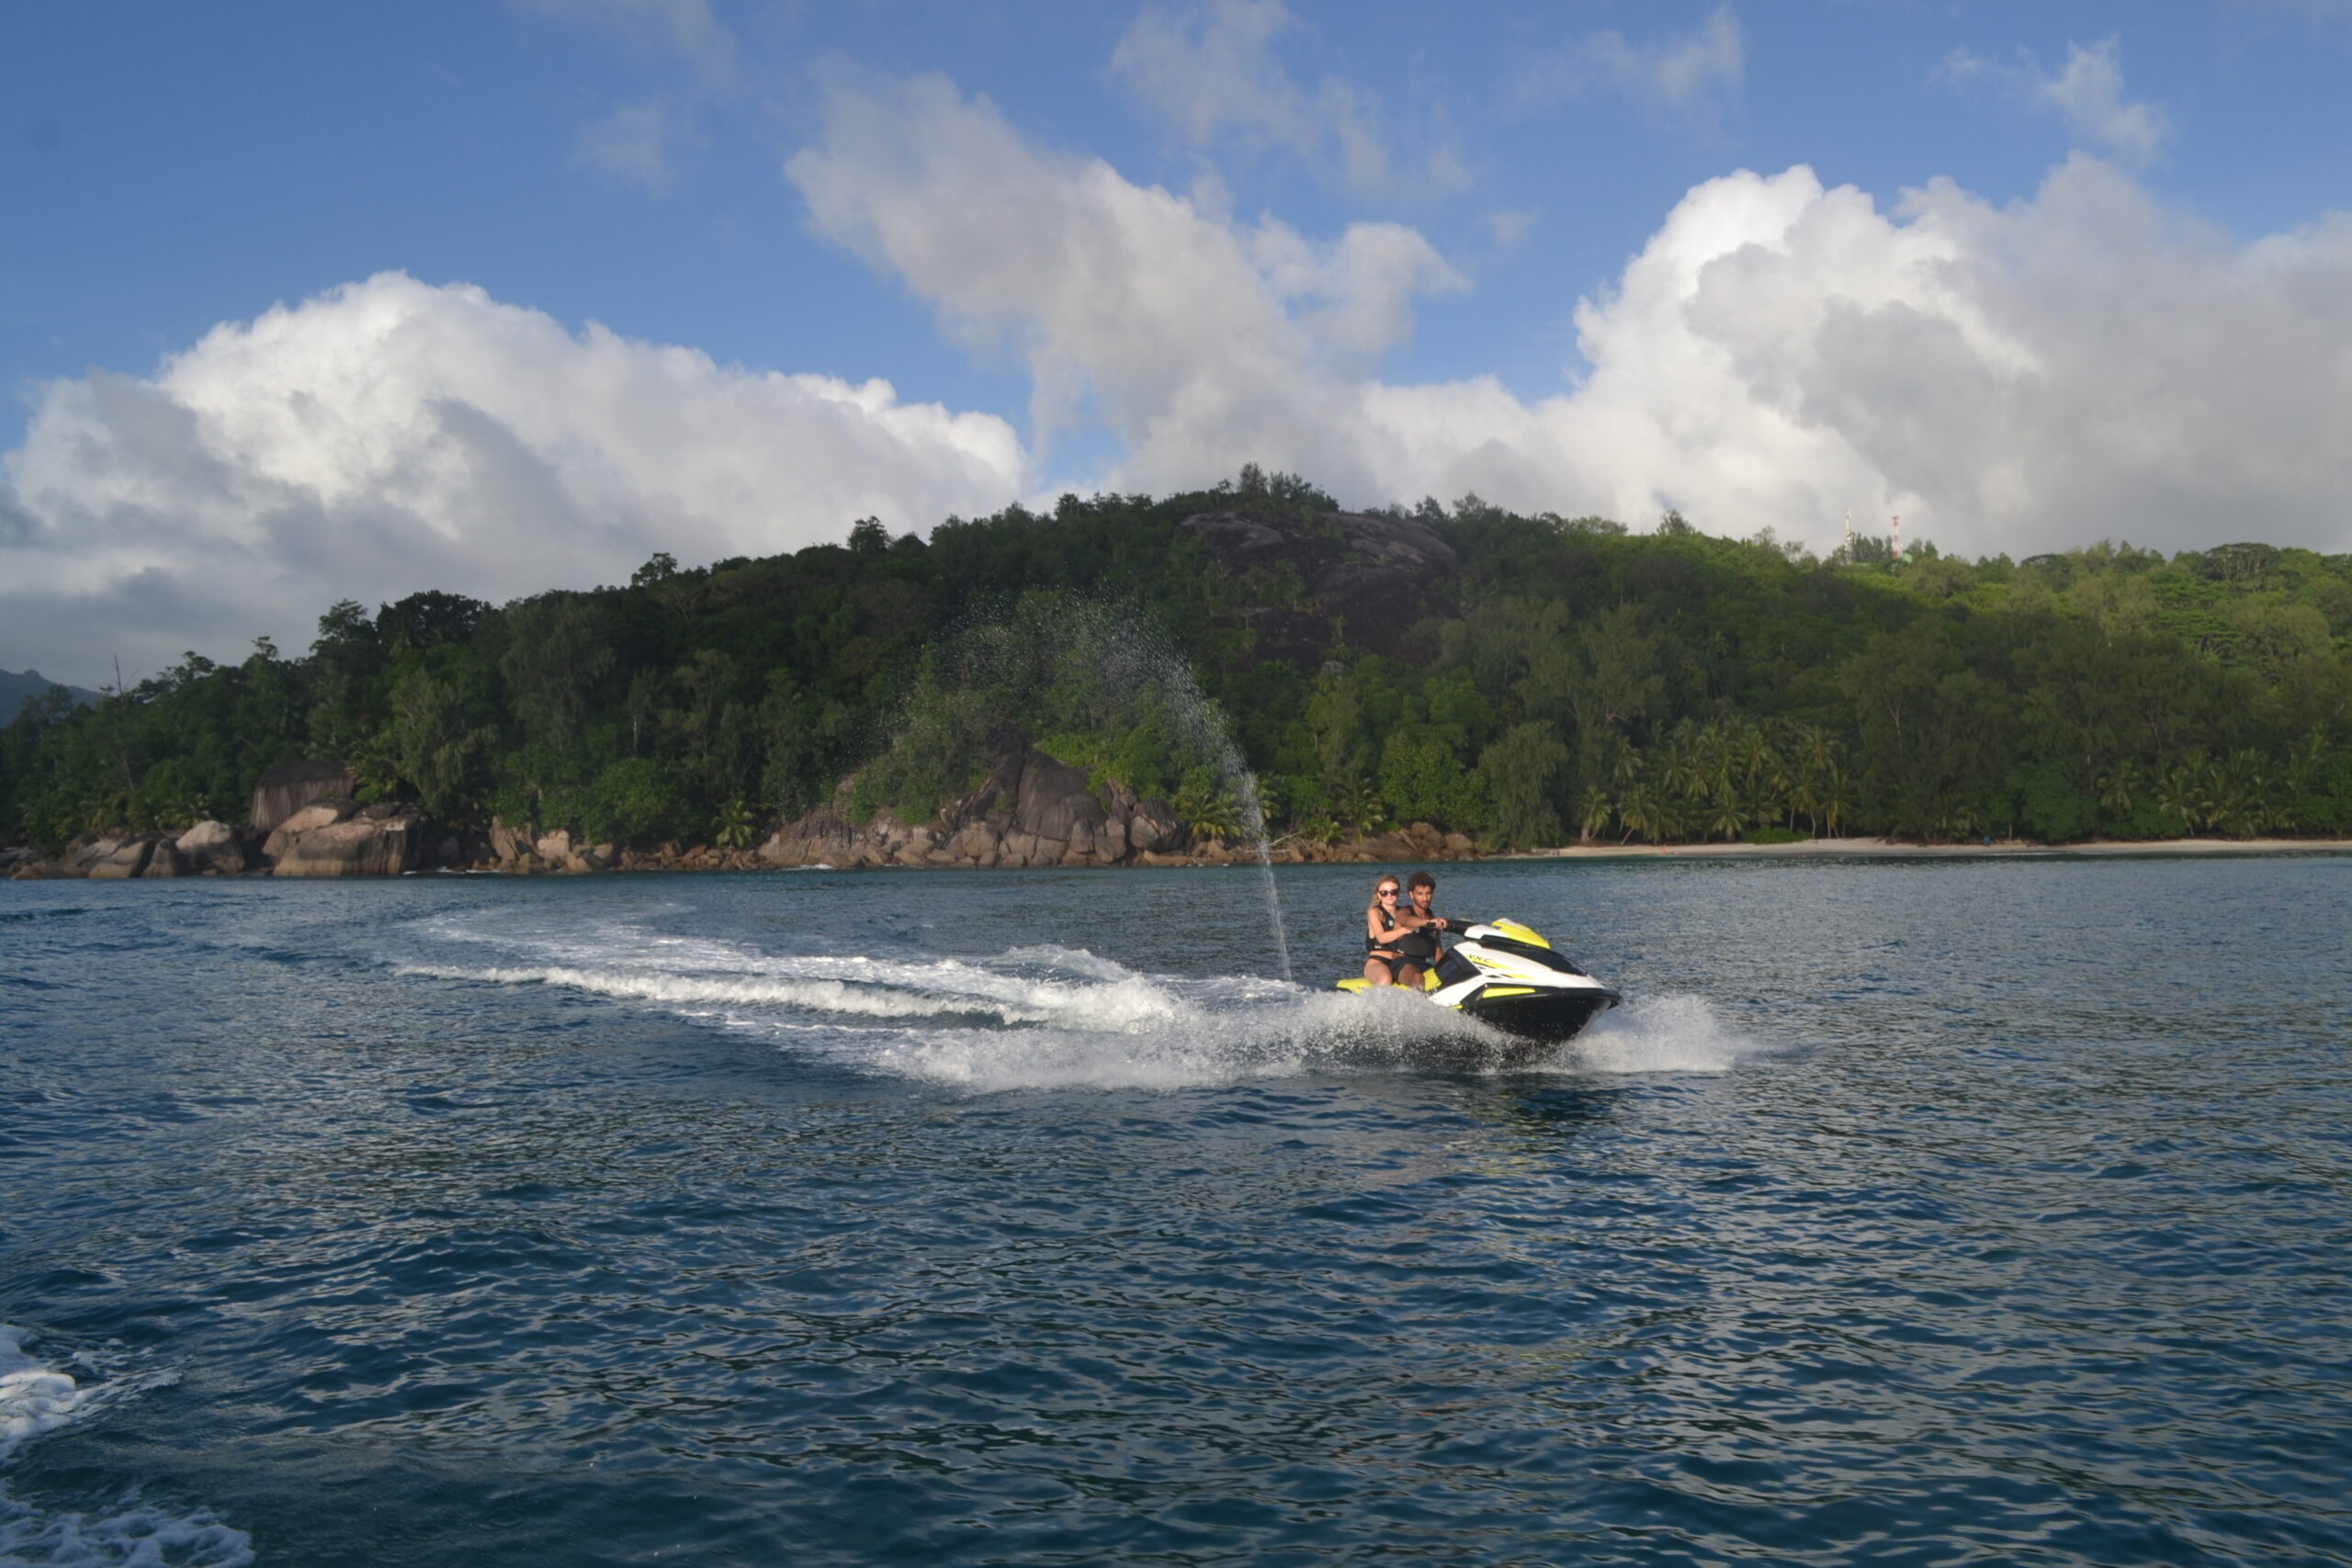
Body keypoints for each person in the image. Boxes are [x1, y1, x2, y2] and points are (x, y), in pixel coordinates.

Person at [1363, 876, 1415, 987]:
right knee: (1385, 978)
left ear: (1399, 893)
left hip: (1400, 962)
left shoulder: (1405, 913)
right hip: (1377, 961)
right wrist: (1405, 930)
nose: (1389, 895)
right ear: (1378, 894)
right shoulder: (1374, 912)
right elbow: (1382, 938)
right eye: (1384, 893)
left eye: (1393, 892)